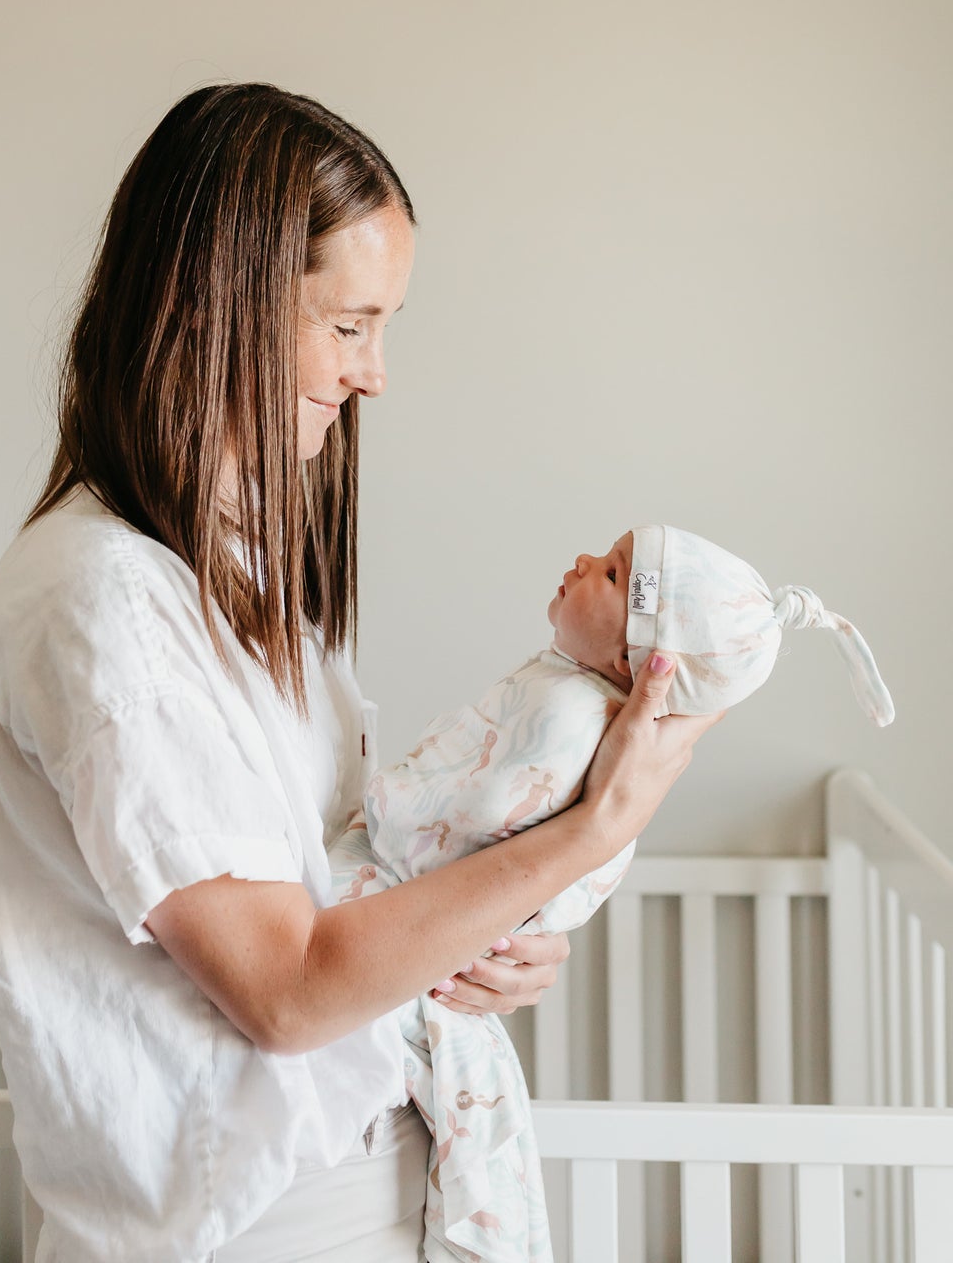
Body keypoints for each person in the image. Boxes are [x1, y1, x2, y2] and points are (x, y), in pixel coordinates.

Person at [0, 84, 720, 1263]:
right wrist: (583, 831)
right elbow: (288, 989)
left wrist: (484, 930)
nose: (375, 375)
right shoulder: (101, 603)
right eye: (349, 326)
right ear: (220, 307)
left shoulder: (240, 575)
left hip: (353, 1198)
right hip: (258, 1227)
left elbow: (339, 907)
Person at [328, 523, 894, 1260]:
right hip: (423, 924)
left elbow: (463, 821)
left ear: (644, 657)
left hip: (400, 906)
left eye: (616, 574)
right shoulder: (565, 689)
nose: (585, 561)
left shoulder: (571, 716)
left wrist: (382, 811)